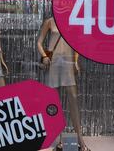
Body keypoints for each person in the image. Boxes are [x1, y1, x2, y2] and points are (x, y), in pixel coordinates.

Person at [37, 17, 90, 151]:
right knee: (55, 103)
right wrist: (44, 56)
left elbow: (76, 44)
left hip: (67, 62)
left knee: (73, 98)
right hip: (53, 62)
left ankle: (80, 140)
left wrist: (76, 61)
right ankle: (60, 141)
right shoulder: (49, 21)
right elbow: (39, 42)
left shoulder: (71, 21)